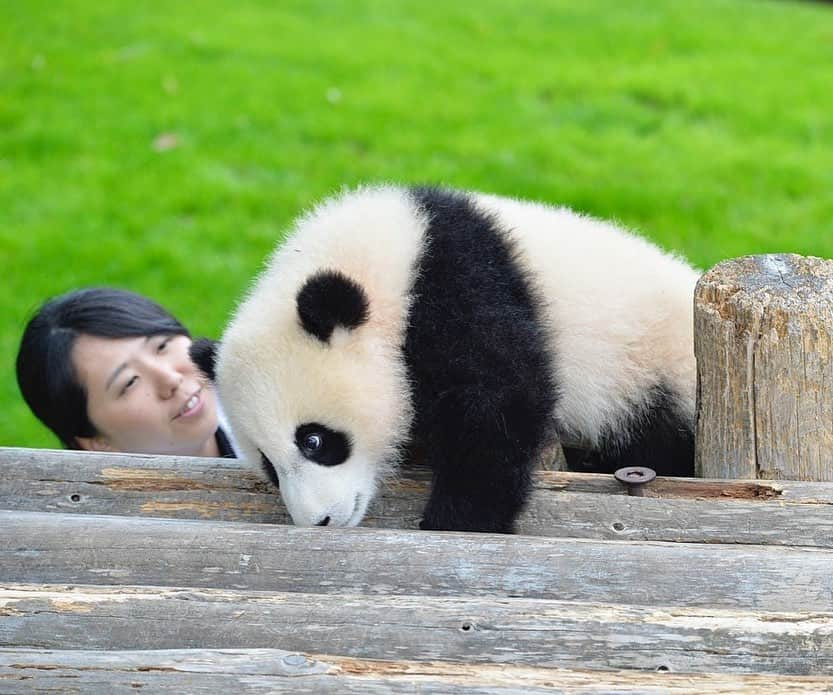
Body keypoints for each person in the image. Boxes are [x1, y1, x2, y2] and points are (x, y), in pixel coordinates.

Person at [16, 287, 236, 457]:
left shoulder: (258, 393)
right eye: (129, 382)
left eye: (161, 346)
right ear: (99, 442)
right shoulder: (104, 515)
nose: (170, 378)